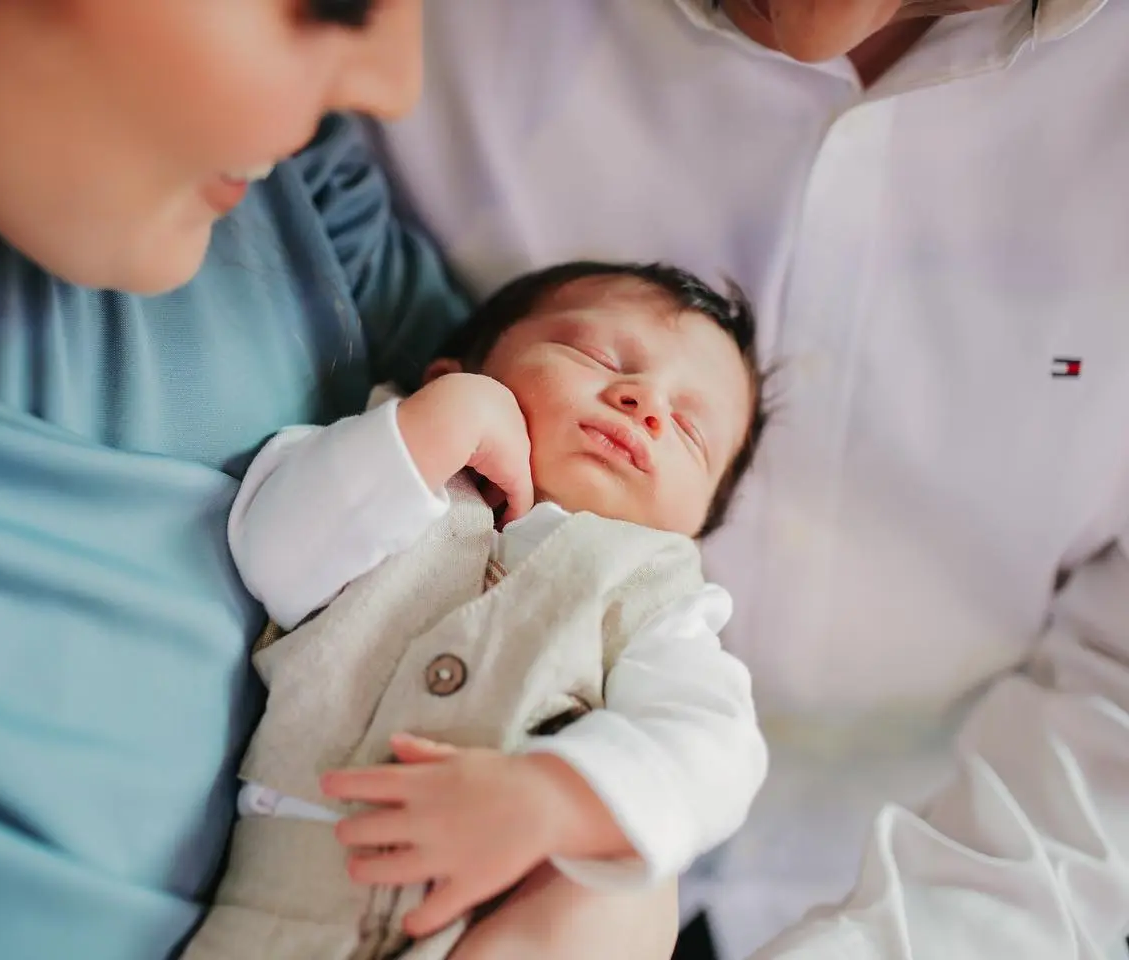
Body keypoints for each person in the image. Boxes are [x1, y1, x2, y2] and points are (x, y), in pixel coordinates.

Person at [0, 2, 683, 958]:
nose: (396, 86)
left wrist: (613, 849)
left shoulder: (295, 203)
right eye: (331, 2)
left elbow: (590, 553)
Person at [375, 0, 1129, 957]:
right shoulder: (427, 41)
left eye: (687, 425)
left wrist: (584, 815)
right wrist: (396, 450)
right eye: (597, 361)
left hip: (912, 895)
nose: (825, 22)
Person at [186, 262, 770, 959]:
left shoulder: (654, 595)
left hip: (478, 926)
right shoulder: (392, 462)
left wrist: (554, 799)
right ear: (454, 373)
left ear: (695, 526)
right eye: (598, 357)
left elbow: (714, 744)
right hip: (269, 922)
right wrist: (439, 423)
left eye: (690, 431)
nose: (645, 403)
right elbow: (273, 556)